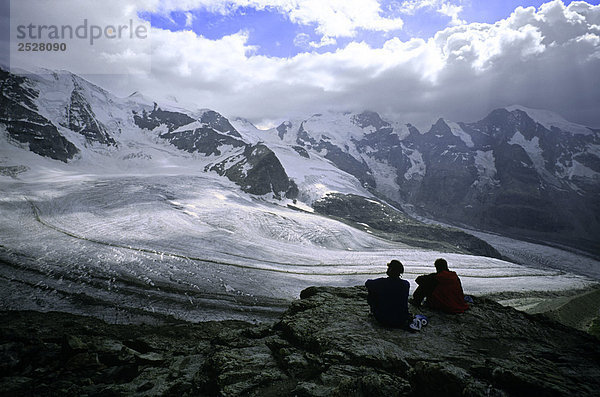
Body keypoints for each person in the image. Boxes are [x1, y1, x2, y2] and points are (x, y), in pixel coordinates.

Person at [365, 260, 410, 328]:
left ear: (391, 270)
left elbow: (367, 283)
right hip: (401, 319)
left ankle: (373, 311)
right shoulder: (406, 284)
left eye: (389, 268)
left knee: (372, 291)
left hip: (383, 319)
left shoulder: (381, 282)